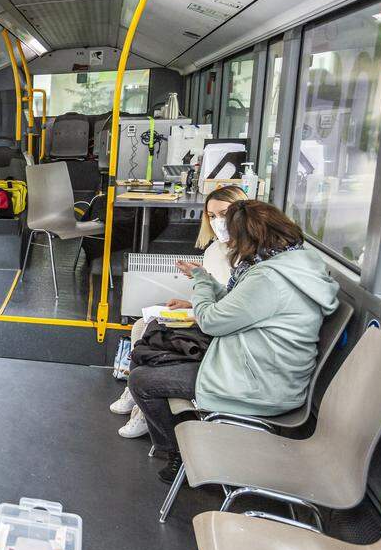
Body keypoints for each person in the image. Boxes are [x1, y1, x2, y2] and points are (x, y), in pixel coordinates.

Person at [129, 201, 339, 483]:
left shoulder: (267, 279)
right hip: (265, 371)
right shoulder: (292, 264)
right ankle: (184, 443)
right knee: (158, 358)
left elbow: (212, 321)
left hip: (256, 384)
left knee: (143, 381)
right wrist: (205, 280)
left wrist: (201, 282)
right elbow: (237, 304)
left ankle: (178, 454)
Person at [111, 185, 248, 438]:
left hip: (217, 328)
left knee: (153, 332)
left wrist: (198, 309)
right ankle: (134, 392)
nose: (219, 222)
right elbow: (217, 294)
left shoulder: (247, 259)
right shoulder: (214, 251)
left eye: (224, 214)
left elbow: (229, 308)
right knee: (142, 324)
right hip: (207, 315)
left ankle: (140, 409)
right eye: (212, 216)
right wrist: (190, 304)